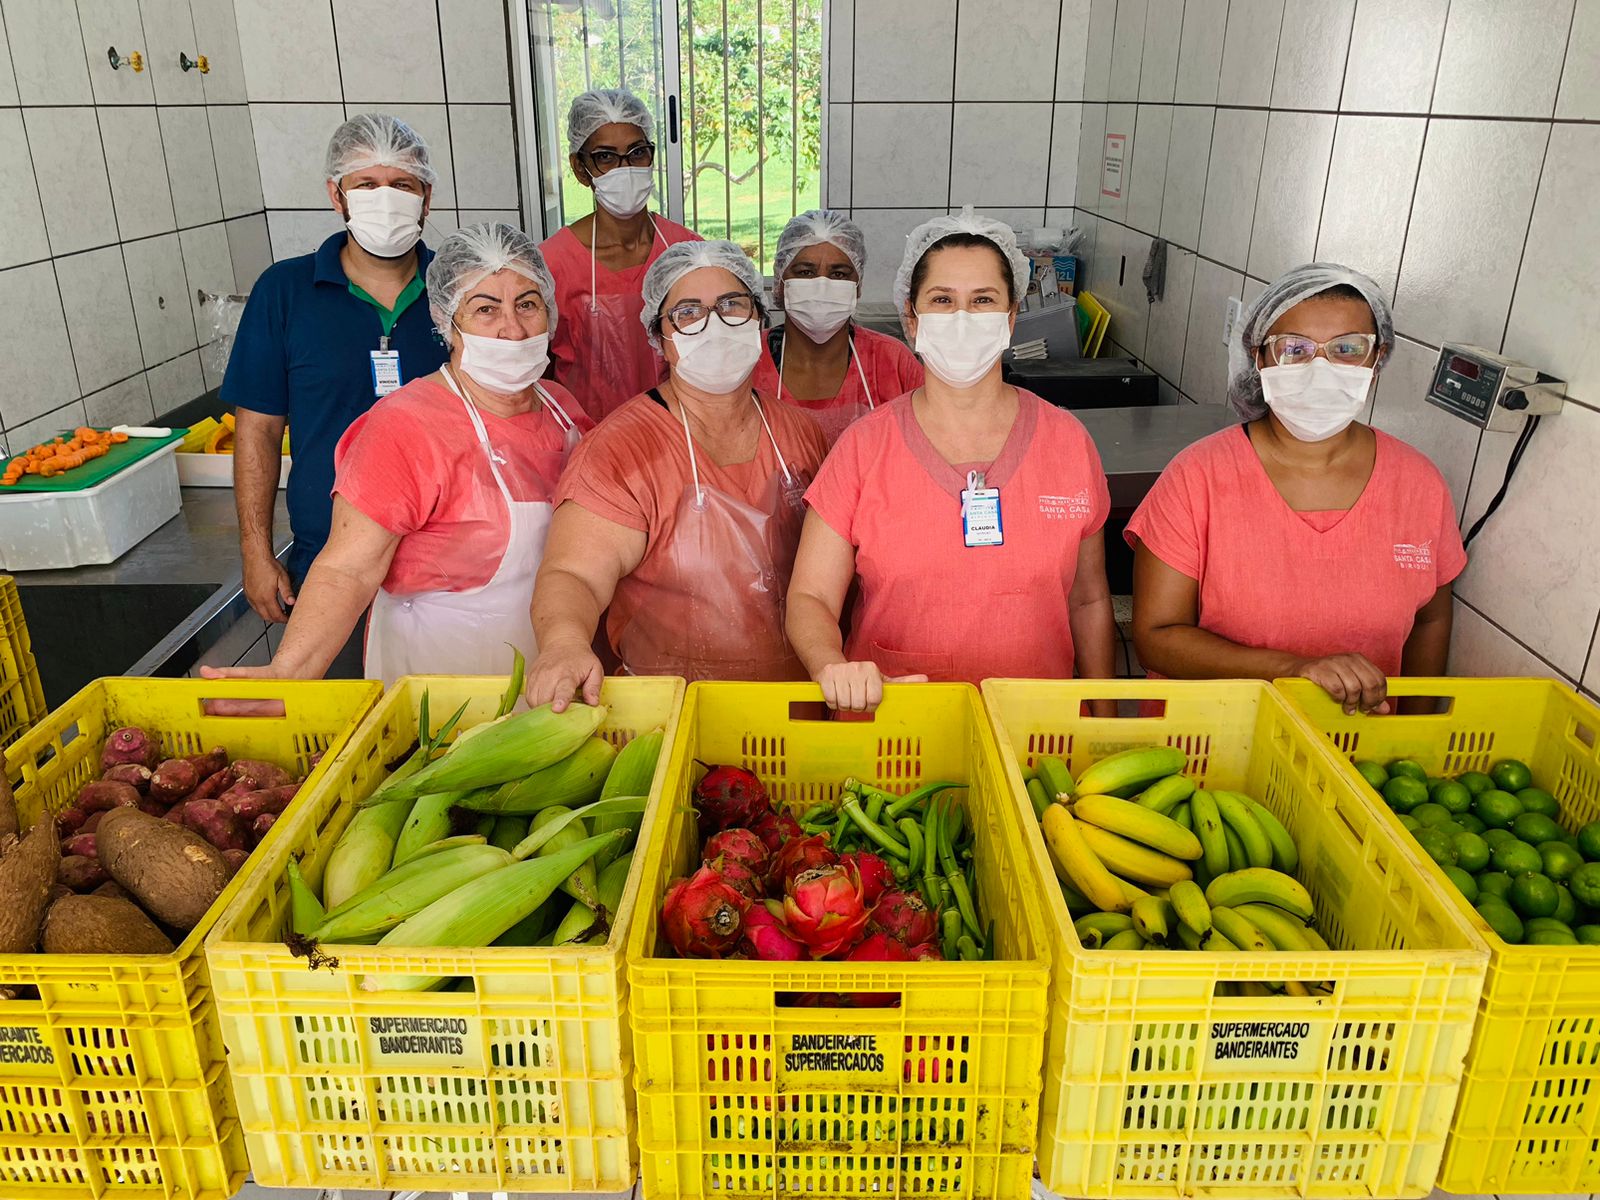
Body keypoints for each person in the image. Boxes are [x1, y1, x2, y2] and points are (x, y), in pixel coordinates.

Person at [202, 224, 589, 685]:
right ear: (449, 322)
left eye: (527, 304)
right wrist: (290, 670)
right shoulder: (404, 426)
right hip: (438, 688)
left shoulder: (563, 410)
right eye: (485, 308)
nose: (512, 327)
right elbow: (347, 569)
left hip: (556, 675)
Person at [787, 208, 1117, 713]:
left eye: (982, 300)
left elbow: (1089, 601)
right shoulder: (864, 448)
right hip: (895, 733)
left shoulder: (1067, 441)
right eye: (942, 300)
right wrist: (829, 663)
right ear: (911, 320)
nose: (962, 318)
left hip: (1034, 734)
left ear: (1010, 318)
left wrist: (1103, 715)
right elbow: (810, 598)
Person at [1126, 262, 1464, 715]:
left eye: (1348, 348)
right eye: (1295, 349)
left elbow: (1431, 619)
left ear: (1376, 360)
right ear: (1260, 358)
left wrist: (1412, 736)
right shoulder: (1198, 477)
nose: (1320, 368)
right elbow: (1157, 638)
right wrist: (1294, 669)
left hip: (1363, 751)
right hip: (1214, 744)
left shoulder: (1418, 485)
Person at [525, 240, 829, 707]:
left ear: (759, 319)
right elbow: (574, 574)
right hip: (668, 711)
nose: (714, 324)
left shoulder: (801, 435)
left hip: (796, 707)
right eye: (688, 312)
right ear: (660, 337)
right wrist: (564, 641)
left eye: (732, 304)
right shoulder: (621, 450)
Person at [223, 114, 448, 676]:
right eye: (366, 185)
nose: (386, 199)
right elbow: (258, 429)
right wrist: (256, 548)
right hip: (326, 559)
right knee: (339, 728)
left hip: (447, 562)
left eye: (403, 184)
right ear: (336, 194)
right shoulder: (285, 291)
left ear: (427, 198)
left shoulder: (461, 290)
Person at [541, 88, 701, 423]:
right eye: (606, 157)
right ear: (581, 169)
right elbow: (539, 372)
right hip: (588, 439)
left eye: (637, 153)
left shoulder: (686, 252)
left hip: (678, 434)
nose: (624, 168)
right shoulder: (553, 262)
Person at [751, 209, 923, 445]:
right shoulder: (747, 360)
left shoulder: (892, 362)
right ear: (780, 282)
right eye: (805, 272)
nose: (822, 285)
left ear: (858, 285)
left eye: (839, 274)